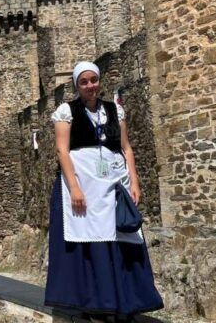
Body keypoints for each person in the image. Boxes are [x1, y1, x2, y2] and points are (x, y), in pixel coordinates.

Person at [45, 62, 163, 321]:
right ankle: (94, 302)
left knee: (119, 239)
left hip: (112, 185)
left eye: (93, 80)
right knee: (88, 243)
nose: (90, 86)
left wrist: (134, 181)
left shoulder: (113, 110)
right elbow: (61, 150)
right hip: (83, 185)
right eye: (84, 82)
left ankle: (123, 302)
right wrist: (74, 187)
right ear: (77, 85)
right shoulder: (67, 111)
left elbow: (126, 148)